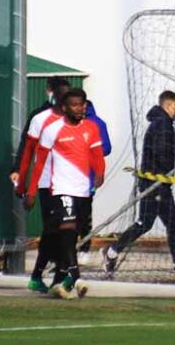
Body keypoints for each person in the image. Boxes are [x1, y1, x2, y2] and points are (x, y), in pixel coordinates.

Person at [25, 88, 105, 299]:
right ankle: (75, 278)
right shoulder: (52, 129)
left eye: (82, 104)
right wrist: (31, 190)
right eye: (75, 105)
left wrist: (100, 173)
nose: (79, 109)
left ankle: (44, 276)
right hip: (60, 189)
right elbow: (39, 161)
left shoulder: (91, 128)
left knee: (59, 234)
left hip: (82, 190)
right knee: (67, 230)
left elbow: (97, 153)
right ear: (64, 108)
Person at [102, 91, 175, 276]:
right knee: (148, 223)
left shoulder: (163, 123)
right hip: (154, 183)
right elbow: (160, 154)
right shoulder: (162, 125)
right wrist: (163, 175)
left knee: (167, 222)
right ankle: (111, 251)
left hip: (159, 183)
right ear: (167, 106)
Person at [13, 79, 70, 293]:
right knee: (54, 230)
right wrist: (25, 187)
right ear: (54, 95)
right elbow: (28, 153)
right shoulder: (40, 119)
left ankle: (53, 275)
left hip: (70, 184)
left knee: (65, 230)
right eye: (62, 95)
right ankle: (49, 275)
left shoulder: (75, 121)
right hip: (47, 183)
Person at [77, 100, 112, 266]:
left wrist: (88, 150)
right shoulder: (70, 122)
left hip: (87, 178)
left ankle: (84, 250)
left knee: (84, 216)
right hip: (68, 178)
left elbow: (106, 148)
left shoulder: (97, 123)